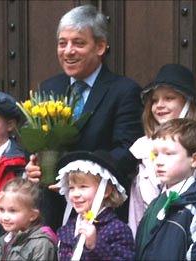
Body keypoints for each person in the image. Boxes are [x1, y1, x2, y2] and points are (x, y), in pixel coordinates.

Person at [25, 4, 143, 229]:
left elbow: (127, 150)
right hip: (52, 210)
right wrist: (34, 166)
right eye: (62, 43)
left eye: (78, 43)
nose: (68, 51)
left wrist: (82, 174)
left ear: (100, 46)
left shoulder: (124, 91)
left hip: (101, 213)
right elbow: (37, 143)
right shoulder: (49, 87)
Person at [128, 64, 196, 236]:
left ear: (188, 103)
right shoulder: (142, 147)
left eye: (169, 98)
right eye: (155, 100)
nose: (159, 105)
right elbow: (136, 208)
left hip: (184, 237)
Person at [135, 118, 196, 260]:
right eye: (155, 155)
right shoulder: (156, 203)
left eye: (168, 154)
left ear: (195, 159)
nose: (159, 161)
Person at [55, 150, 134, 260]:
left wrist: (94, 245)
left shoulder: (117, 229)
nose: (75, 194)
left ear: (106, 191)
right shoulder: (69, 227)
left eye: (83, 186)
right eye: (72, 188)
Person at [0, 177, 58, 261]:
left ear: (33, 215)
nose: (5, 217)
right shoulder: (5, 238)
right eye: (1, 209)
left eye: (12, 211)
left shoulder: (41, 243)